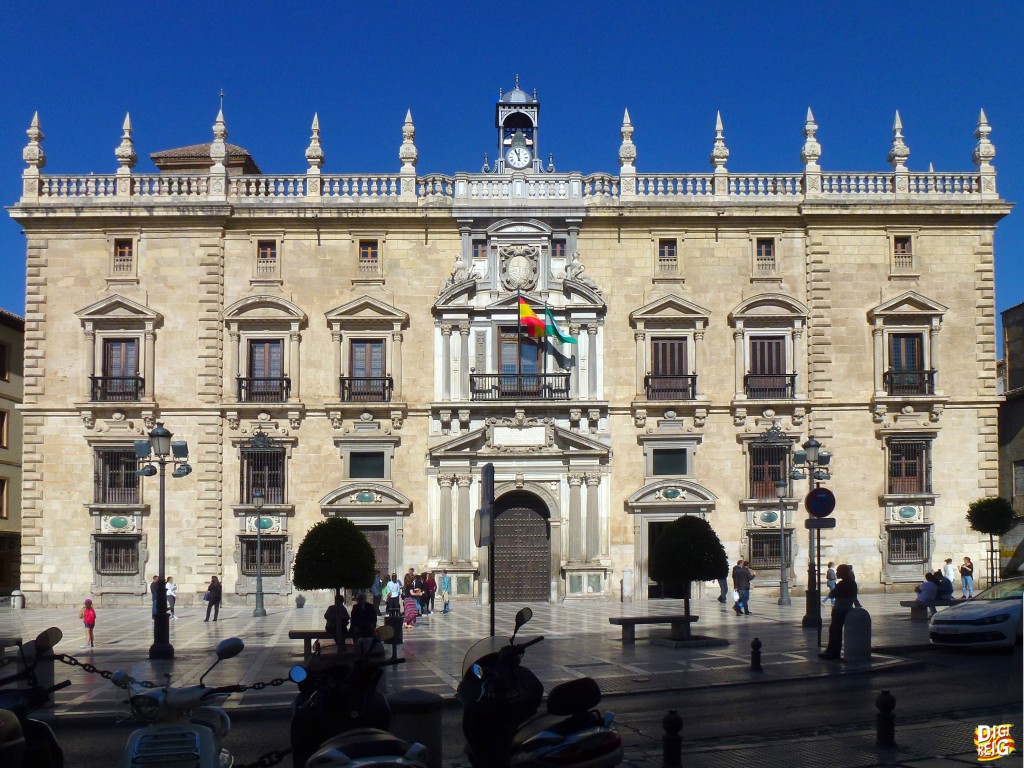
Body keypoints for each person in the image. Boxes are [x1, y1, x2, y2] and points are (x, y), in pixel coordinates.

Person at [819, 563, 862, 660]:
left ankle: (833, 652)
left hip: (839, 609)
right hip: (848, 608)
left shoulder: (843, 584)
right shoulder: (852, 583)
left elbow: (832, 594)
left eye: (838, 571)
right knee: (835, 630)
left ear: (843, 572)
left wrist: (834, 593)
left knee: (835, 631)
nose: (837, 573)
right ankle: (833, 651)